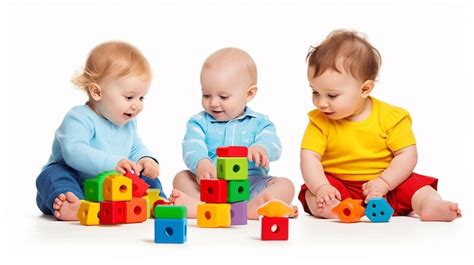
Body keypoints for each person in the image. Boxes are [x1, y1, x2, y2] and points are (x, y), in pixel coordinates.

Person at [298, 30, 461, 221]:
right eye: (315, 92)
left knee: (416, 186)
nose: (321, 103)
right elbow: (309, 158)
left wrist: (384, 182)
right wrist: (322, 187)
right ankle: (336, 209)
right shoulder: (319, 121)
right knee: (315, 195)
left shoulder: (391, 117)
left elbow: (407, 155)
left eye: (331, 95)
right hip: (339, 185)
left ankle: (430, 205)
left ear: (365, 89)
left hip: (388, 183)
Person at [36, 41, 165, 221]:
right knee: (52, 176)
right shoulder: (79, 118)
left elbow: (135, 148)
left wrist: (146, 160)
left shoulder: (128, 123)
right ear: (97, 92)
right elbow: (74, 152)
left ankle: (157, 202)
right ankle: (70, 204)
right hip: (77, 181)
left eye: (141, 97)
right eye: (129, 97)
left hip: (112, 188)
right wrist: (113, 163)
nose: (137, 105)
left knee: (146, 178)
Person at [169, 47, 296, 219]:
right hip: (210, 186)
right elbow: (192, 145)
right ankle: (205, 206)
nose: (213, 103)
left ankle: (252, 208)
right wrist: (202, 163)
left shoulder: (260, 123)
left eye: (223, 97)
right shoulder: (199, 122)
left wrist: (262, 148)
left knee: (286, 185)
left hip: (250, 186)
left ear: (249, 93)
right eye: (206, 95)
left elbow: (274, 144)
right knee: (181, 177)